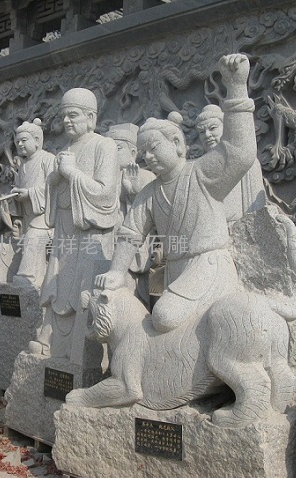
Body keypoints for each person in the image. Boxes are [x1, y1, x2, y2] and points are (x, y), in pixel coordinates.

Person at [95, 54, 257, 334]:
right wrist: (117, 272)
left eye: (153, 148)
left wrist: (237, 88)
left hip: (209, 267)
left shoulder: (202, 171)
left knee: (165, 318)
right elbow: (131, 233)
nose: (147, 157)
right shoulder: (150, 192)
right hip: (176, 271)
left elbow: (240, 152)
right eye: (143, 152)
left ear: (176, 143)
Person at [31, 88, 121, 359]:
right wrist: (56, 179)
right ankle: (55, 345)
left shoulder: (103, 146)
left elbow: (106, 195)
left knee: (84, 292)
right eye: (64, 116)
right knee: (57, 290)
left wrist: (71, 173)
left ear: (90, 118)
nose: (66, 121)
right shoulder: (65, 150)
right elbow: (51, 196)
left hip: (91, 236)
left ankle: (86, 355)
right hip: (64, 236)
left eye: (73, 115)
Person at [105, 123, 155, 303]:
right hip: (107, 242)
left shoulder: (147, 177)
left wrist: (134, 194)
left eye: (117, 148)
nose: (111, 154)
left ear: (133, 153)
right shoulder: (106, 179)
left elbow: (151, 217)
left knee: (132, 295)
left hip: (132, 246)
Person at [195, 104, 265, 226]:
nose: (207, 135)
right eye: (201, 132)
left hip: (240, 229)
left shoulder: (247, 162)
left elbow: (257, 210)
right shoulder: (196, 168)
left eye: (212, 128)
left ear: (225, 128)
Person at [10, 118, 56, 288]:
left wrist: (29, 193)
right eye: (17, 141)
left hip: (45, 218)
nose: (20, 144)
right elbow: (21, 189)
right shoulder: (22, 166)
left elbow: (54, 188)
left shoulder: (48, 159)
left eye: (24, 140)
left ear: (37, 141)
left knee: (33, 239)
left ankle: (28, 277)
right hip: (28, 216)